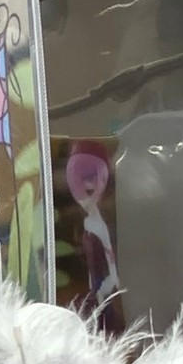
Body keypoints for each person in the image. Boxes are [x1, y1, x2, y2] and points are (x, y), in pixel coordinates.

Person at [64, 141, 124, 335]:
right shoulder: (89, 223)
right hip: (99, 291)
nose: (87, 185)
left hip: (105, 290)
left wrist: (110, 282)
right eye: (81, 180)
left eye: (92, 179)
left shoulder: (98, 223)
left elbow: (108, 257)